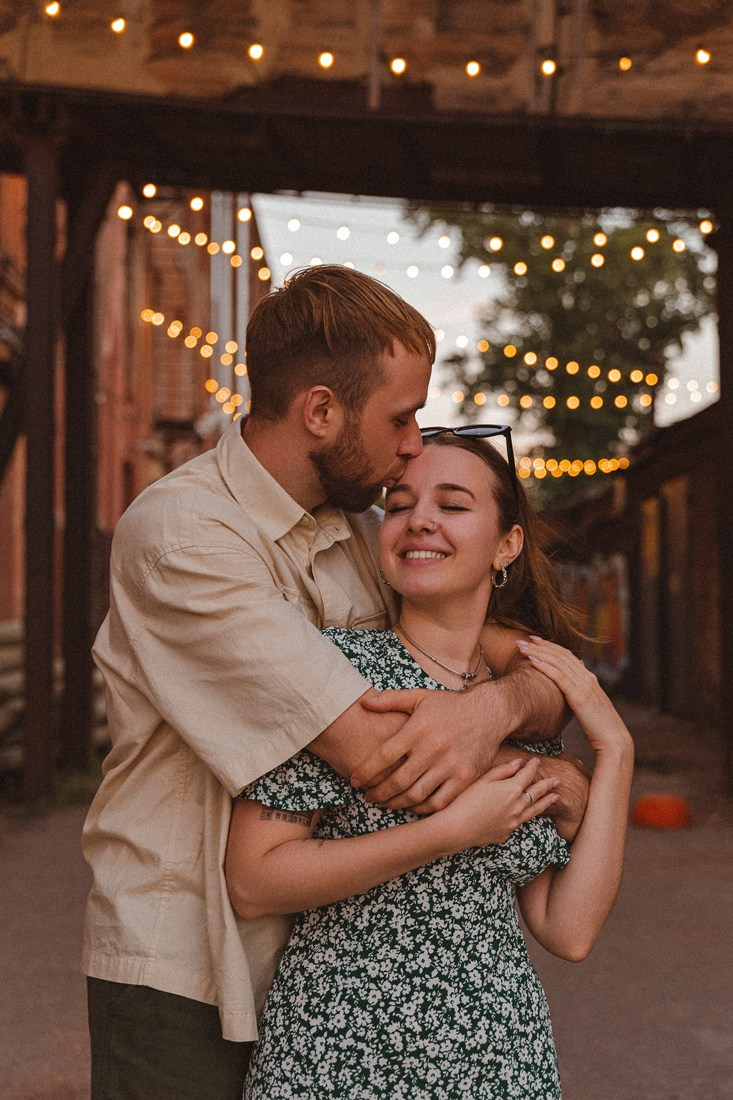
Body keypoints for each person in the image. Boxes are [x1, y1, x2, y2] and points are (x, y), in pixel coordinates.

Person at [82, 265, 586, 1099]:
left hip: (316, 963)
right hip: (188, 963)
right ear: (320, 410)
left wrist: (501, 705)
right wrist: (558, 777)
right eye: (400, 416)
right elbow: (376, 755)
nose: (414, 444)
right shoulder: (184, 536)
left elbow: (518, 658)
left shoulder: (358, 526)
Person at [227, 430, 635, 1099]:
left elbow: (569, 929)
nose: (418, 519)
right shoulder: (336, 673)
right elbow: (254, 879)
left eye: (451, 504)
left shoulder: (514, 704)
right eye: (401, 503)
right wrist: (446, 832)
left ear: (506, 545)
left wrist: (615, 751)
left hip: (498, 1060)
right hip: (340, 1054)